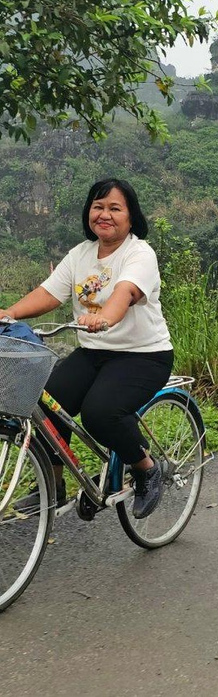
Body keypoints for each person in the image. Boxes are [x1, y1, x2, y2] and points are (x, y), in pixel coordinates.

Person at [0, 178, 173, 519]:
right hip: (93, 352)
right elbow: (49, 293)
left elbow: (124, 293)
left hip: (143, 356)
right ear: (88, 213)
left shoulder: (140, 253)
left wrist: (104, 317)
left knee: (100, 412)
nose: (104, 214)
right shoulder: (81, 254)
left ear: (130, 216)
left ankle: (146, 468)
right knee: (46, 402)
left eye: (114, 208)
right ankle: (52, 483)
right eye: (98, 207)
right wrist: (10, 312)